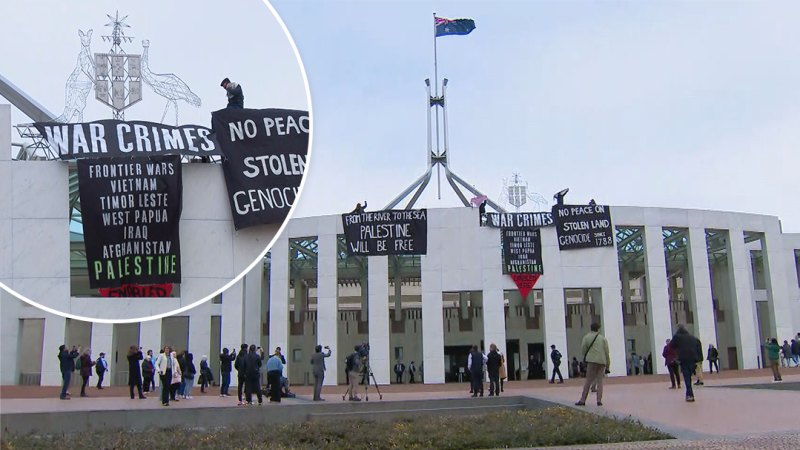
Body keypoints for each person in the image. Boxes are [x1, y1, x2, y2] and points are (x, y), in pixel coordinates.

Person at [575, 322, 611, 407]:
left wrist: (586, 356)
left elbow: (583, 349)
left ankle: (583, 400)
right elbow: (607, 352)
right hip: (602, 361)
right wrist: (608, 364)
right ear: (598, 328)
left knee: (588, 380)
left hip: (591, 360)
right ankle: (599, 400)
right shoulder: (602, 338)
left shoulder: (586, 337)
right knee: (600, 381)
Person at [670, 325, 702, 402]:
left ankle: (690, 394)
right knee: (689, 376)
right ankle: (689, 393)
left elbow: (672, 345)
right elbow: (698, 345)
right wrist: (699, 358)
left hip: (684, 359)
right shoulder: (692, 338)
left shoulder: (677, 337)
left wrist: (677, 351)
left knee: (686, 376)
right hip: (693, 359)